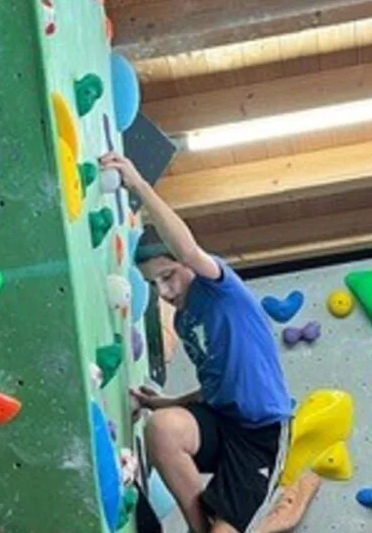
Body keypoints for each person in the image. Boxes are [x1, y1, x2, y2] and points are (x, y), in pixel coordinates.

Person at [100, 152, 293, 533]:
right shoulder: (188, 321)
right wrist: (160, 403)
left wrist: (137, 184)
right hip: (220, 423)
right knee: (163, 428)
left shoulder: (221, 289)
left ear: (188, 265)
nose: (165, 291)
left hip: (260, 434)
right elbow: (213, 387)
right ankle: (197, 528)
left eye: (169, 276)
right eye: (154, 285)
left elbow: (187, 248)